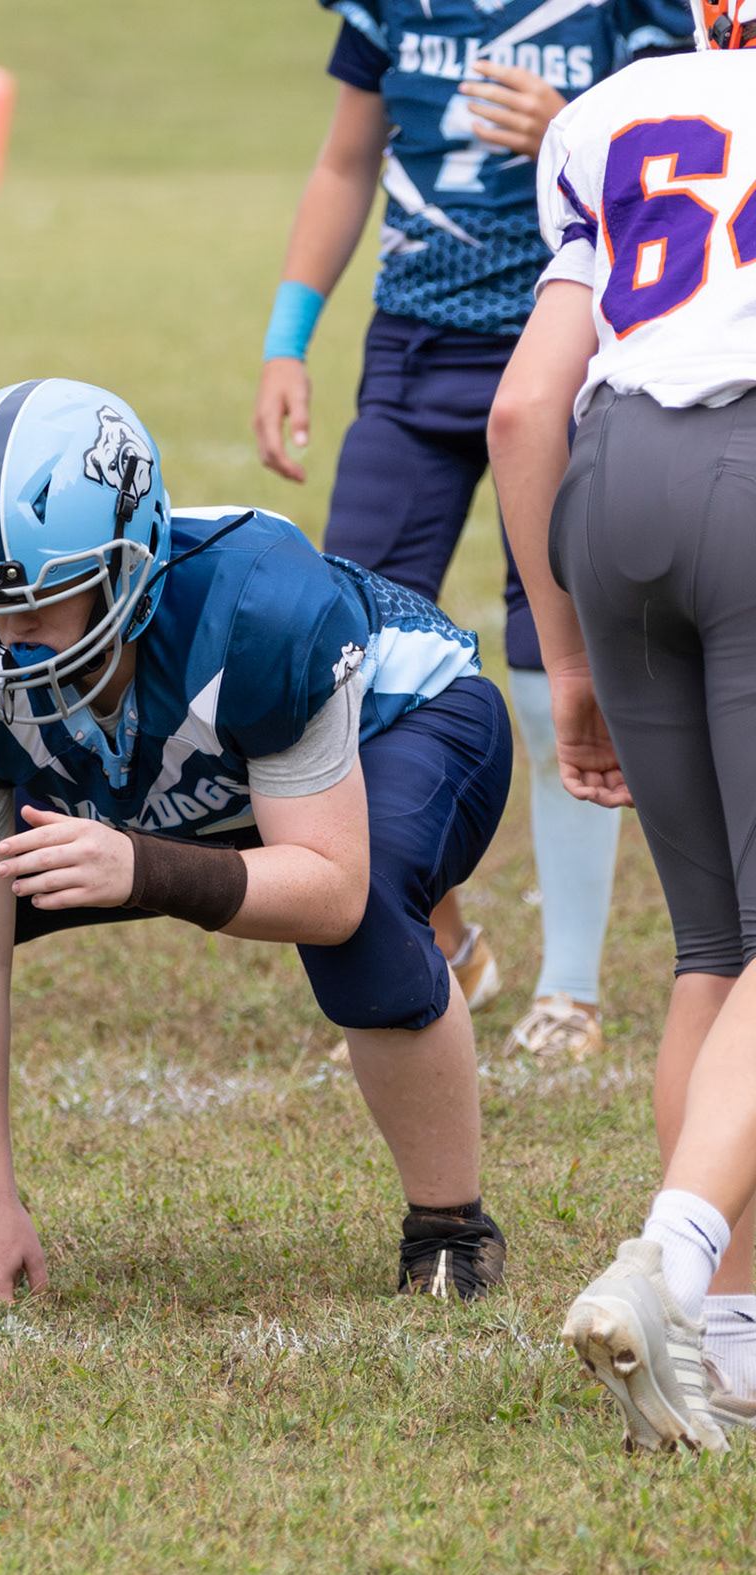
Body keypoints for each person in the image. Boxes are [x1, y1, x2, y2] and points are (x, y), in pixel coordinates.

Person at [0, 378, 512, 1302]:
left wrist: (144, 868)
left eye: (44, 595)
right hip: (159, 775)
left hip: (395, 725)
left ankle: (450, 1226)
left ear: (130, 565)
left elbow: (331, 888)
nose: (5, 631)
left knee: (362, 925)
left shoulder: (255, 615)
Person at [252, 0, 688, 1059]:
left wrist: (573, 131)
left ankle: (570, 987)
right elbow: (346, 161)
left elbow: (688, 159)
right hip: (411, 350)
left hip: (569, 340)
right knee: (339, 658)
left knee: (555, 659)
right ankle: (439, 943)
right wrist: (287, 339)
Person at [490, 0, 756, 1453]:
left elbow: (525, 409)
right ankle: (675, 1262)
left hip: (612, 490)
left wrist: (565, 651)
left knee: (718, 947)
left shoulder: (615, 110)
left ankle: (730, 1337)